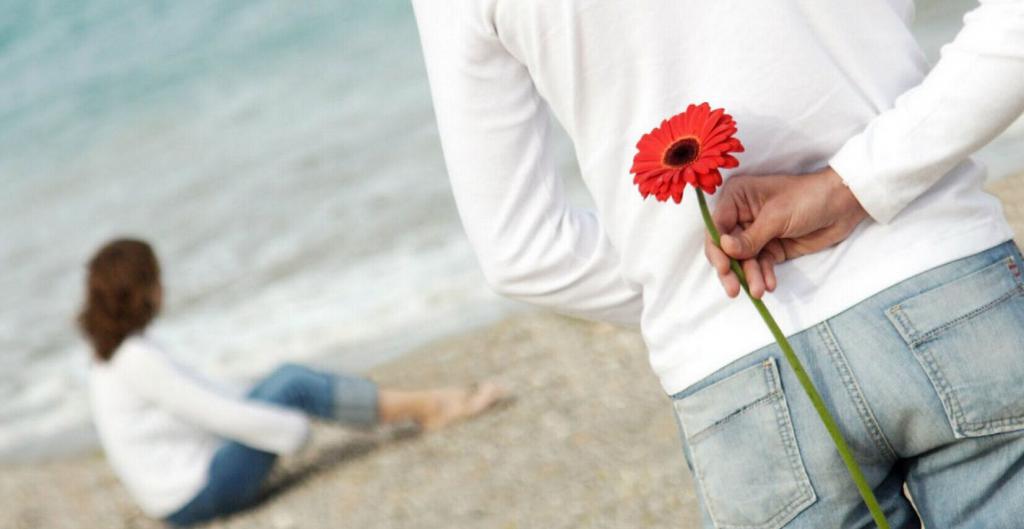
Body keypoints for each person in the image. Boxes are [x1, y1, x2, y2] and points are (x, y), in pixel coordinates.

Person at [411, 0, 1024, 527]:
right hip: (942, 278)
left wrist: (701, 290)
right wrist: (852, 186)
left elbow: (520, 251)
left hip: (732, 380)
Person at [78, 238, 504, 526]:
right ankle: (428, 408)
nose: (164, 286)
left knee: (285, 382)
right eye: (157, 278)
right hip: (193, 496)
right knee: (293, 385)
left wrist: (268, 405)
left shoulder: (112, 357)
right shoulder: (137, 359)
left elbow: (208, 400)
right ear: (143, 291)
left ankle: (421, 405)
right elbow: (215, 413)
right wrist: (291, 429)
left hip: (175, 495)